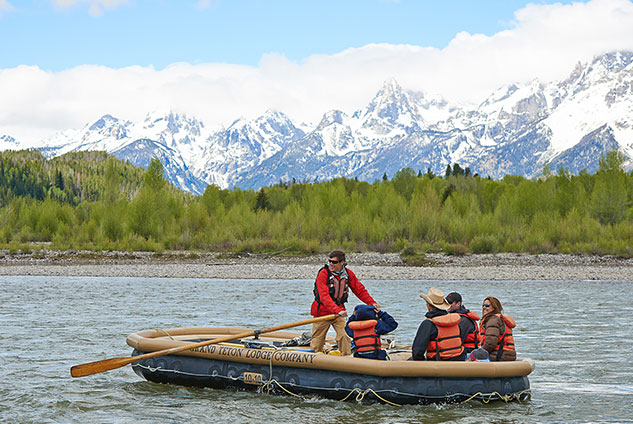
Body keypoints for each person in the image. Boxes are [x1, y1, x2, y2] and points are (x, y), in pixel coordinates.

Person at [310, 250, 381, 355]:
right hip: (322, 312)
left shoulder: (347, 274)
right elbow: (324, 296)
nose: (331, 264)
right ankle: (315, 356)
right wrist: (337, 310)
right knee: (318, 340)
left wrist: (372, 303)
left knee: (344, 335)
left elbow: (359, 290)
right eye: (330, 261)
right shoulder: (323, 273)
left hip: (338, 312)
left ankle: (346, 357)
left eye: (334, 262)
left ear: (342, 262)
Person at [412, 288, 465, 361]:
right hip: (457, 362)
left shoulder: (428, 324)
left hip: (438, 365)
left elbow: (417, 352)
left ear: (428, 306)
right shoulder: (455, 321)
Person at [480, 296, 517, 361]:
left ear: (494, 307)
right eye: (483, 305)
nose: (484, 307)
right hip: (508, 354)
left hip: (499, 355)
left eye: (487, 305)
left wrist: (480, 352)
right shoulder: (499, 318)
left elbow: (491, 342)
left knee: (469, 357)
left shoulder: (493, 320)